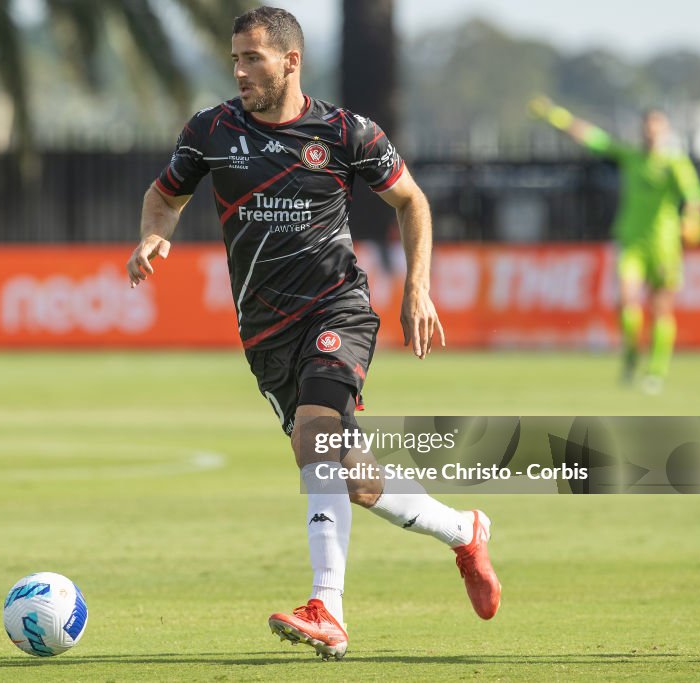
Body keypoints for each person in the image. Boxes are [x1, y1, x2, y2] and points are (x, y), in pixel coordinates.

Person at [126, 7, 501, 660]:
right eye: (235, 58)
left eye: (253, 59)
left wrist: (417, 287)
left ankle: (328, 606)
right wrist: (154, 232)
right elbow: (165, 193)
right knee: (353, 476)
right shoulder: (211, 131)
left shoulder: (345, 132)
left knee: (315, 435)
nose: (240, 71)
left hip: (338, 311)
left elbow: (413, 201)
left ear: (291, 61)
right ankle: (464, 529)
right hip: (266, 336)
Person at [531, 97, 700, 393]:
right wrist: (556, 115)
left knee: (660, 309)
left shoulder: (675, 163)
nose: (651, 133)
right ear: (642, 131)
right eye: (647, 127)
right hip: (631, 241)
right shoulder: (631, 157)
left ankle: (656, 370)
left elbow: (695, 197)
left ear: (664, 131)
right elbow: (594, 138)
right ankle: (630, 357)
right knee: (626, 300)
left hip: (664, 246)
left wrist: (691, 218)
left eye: (656, 127)